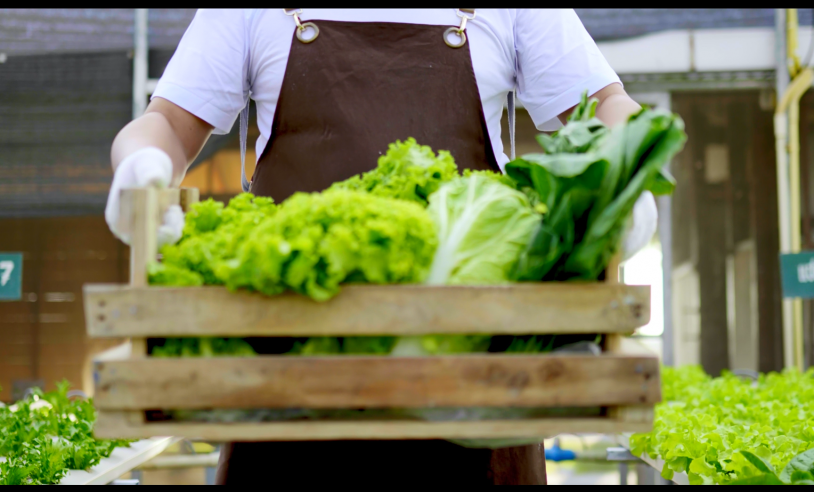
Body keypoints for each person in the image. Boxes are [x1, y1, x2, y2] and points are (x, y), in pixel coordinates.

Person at [105, 9, 657, 485]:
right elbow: (170, 124)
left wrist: (625, 172)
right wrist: (140, 167)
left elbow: (607, 104)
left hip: (480, 398)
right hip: (289, 394)